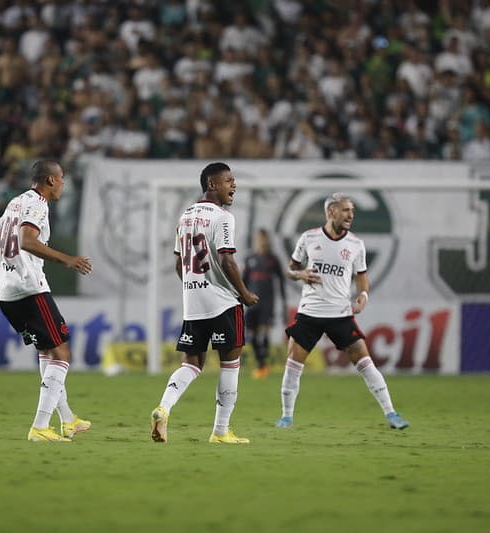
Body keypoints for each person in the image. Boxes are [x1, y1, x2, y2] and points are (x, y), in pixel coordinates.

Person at [0, 159, 94, 442]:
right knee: (63, 354)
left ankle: (67, 420)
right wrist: (68, 259)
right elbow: (27, 240)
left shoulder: (15, 203)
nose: (63, 183)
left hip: (6, 293)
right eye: (62, 178)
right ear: (51, 181)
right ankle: (40, 427)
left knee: (48, 352)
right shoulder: (38, 205)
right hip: (29, 289)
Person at [275, 193, 409, 430]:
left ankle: (391, 414)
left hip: (340, 314)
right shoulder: (309, 238)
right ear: (331, 212)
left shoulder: (356, 244)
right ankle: (286, 417)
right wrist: (300, 274)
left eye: (352, 211)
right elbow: (290, 270)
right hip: (310, 313)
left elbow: (362, 277)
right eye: (345, 210)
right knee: (293, 364)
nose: (350, 215)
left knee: (366, 363)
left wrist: (363, 295)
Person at [150, 162, 260, 444]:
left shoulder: (184, 216)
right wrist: (244, 293)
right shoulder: (223, 217)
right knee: (230, 363)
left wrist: (194, 285)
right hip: (223, 302)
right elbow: (226, 258)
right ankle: (221, 431)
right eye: (228, 181)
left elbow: (178, 263)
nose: (233, 185)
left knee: (191, 364)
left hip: (193, 301)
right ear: (212, 185)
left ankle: (164, 408)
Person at [242, 228, 288, 379]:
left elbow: (281, 281)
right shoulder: (250, 258)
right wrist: (241, 298)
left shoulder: (273, 259)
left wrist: (284, 303)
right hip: (251, 302)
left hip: (267, 302)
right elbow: (243, 281)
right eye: (258, 238)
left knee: (264, 332)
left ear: (267, 240)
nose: (260, 241)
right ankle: (261, 363)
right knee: (253, 335)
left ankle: (263, 365)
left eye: (263, 238)